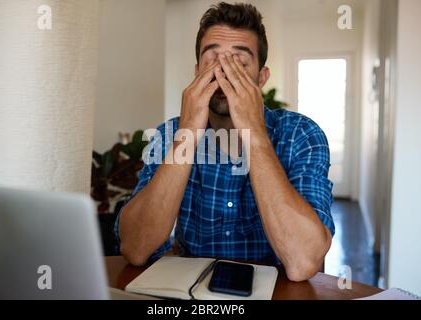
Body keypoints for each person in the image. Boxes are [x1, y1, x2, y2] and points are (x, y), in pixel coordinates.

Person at [116, 2, 334, 282]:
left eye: (239, 64)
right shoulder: (170, 134)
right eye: (213, 62)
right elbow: (135, 248)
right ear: (197, 73)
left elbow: (303, 261)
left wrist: (253, 133)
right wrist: (189, 132)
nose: (224, 75)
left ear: (262, 77)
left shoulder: (301, 134)